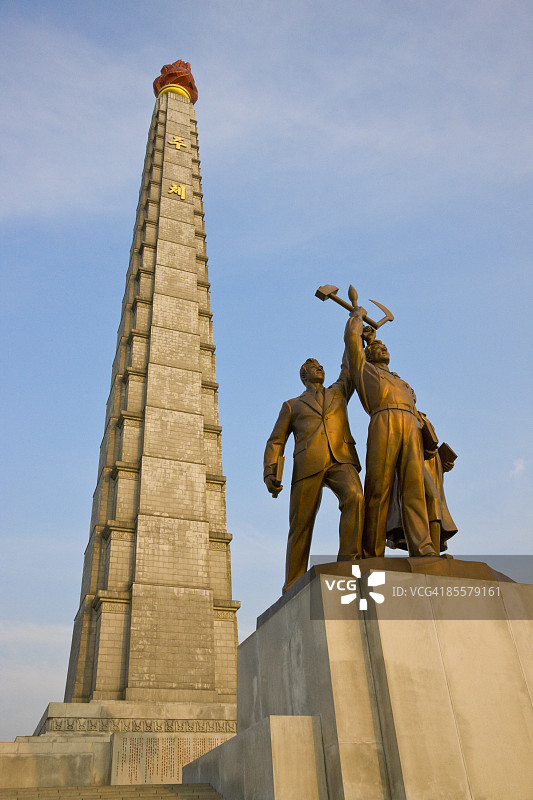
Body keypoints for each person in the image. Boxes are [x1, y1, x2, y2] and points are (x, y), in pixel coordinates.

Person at [264, 346, 364, 593]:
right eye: (312, 365)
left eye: (320, 364)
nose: (318, 367)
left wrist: (355, 332)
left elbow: (348, 366)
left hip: (340, 458)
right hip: (307, 464)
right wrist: (270, 471)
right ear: (304, 376)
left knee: (355, 496)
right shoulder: (292, 405)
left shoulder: (338, 392)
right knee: (302, 523)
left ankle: (349, 560)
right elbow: (276, 440)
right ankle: (293, 582)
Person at [344, 311, 438, 558]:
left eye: (384, 346)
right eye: (376, 347)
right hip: (384, 420)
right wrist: (357, 318)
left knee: (414, 488)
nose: (382, 348)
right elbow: (352, 343)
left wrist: (372, 337)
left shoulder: (400, 381)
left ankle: (423, 547)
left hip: (410, 425)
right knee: (379, 488)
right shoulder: (364, 371)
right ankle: (372, 552)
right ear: (366, 355)